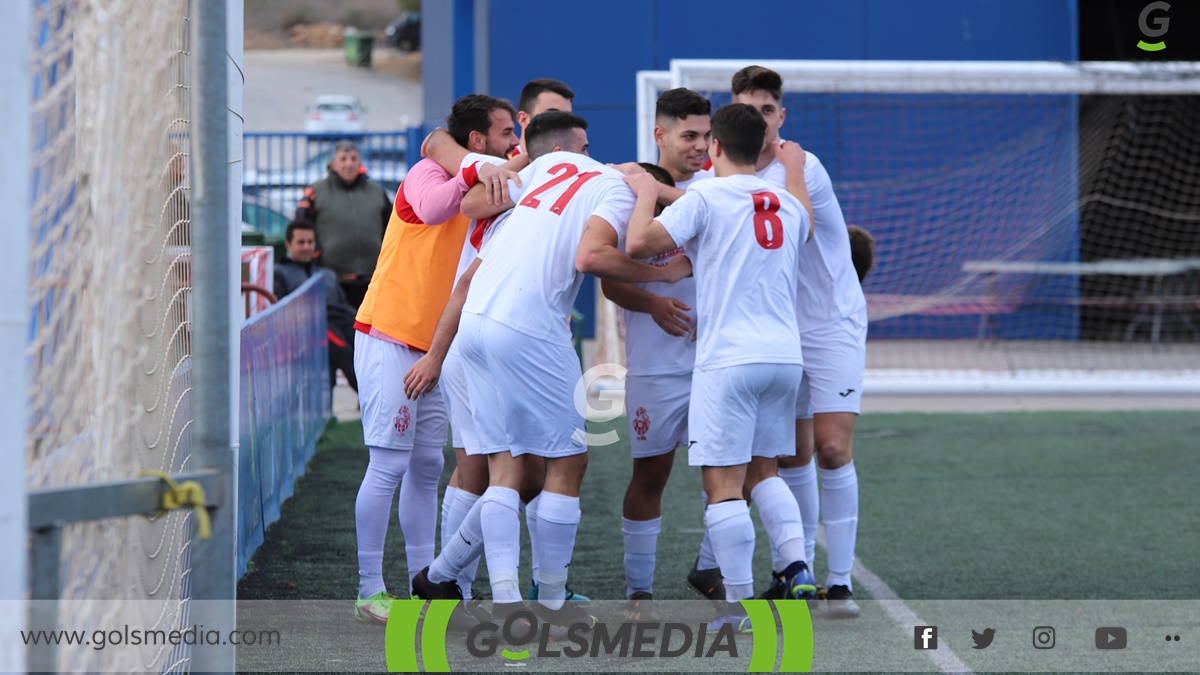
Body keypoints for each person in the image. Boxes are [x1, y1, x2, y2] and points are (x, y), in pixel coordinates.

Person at [411, 112, 690, 630]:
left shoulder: (537, 171)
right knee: (568, 464)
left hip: (472, 321)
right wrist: (663, 269)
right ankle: (549, 604)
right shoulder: (612, 185)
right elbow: (592, 256)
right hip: (529, 325)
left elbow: (466, 199)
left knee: (509, 469)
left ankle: (448, 578)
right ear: (580, 146)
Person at [625, 103, 816, 631]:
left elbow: (641, 242)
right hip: (784, 358)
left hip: (729, 358)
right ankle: (797, 565)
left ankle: (736, 607)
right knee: (766, 471)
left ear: (714, 148)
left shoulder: (705, 195)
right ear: (761, 148)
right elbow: (805, 223)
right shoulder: (786, 201)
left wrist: (646, 192)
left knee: (724, 484)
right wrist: (793, 172)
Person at [415, 78, 592, 606]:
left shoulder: (537, 175)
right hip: (487, 325)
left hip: (499, 328)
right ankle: (474, 590)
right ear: (524, 123)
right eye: (551, 116)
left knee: (526, 472)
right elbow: (435, 147)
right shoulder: (513, 170)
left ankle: (451, 579)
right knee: (495, 467)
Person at [349, 94, 521, 626]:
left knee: (427, 465)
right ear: (477, 142)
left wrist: (502, 170)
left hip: (435, 347)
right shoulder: (426, 172)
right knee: (390, 463)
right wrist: (488, 169)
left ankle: (425, 585)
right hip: (389, 333)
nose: (514, 141)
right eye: (505, 133)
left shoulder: (489, 182)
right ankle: (369, 589)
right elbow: (433, 208)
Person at [730, 65, 869, 619]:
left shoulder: (800, 165)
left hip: (832, 320)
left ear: (781, 116)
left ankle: (841, 582)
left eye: (768, 110)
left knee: (833, 447)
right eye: (749, 109)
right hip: (780, 328)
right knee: (792, 453)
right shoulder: (730, 172)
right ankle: (800, 572)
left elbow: (801, 229)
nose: (759, 119)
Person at [599, 88, 712, 619]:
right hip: (655, 366)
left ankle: (716, 576)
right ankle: (638, 594)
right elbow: (609, 280)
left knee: (732, 473)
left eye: (707, 135)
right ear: (660, 134)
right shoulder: (631, 189)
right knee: (650, 475)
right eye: (689, 135)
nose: (700, 146)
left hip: (716, 365)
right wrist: (653, 300)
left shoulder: (723, 189)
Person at [294, 139, 393, 309]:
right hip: (332, 280)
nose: (349, 164)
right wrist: (317, 254)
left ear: (359, 162)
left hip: (373, 279)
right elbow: (301, 226)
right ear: (334, 163)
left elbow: (392, 230)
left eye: (353, 158)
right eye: (343, 159)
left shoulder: (377, 193)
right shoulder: (315, 192)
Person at [274, 220, 359, 395]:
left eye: (310, 242)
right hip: (310, 328)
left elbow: (343, 305)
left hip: (340, 321)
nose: (307, 247)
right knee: (345, 353)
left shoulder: (327, 274)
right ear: (288, 245)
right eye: (301, 242)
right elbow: (279, 309)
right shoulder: (279, 272)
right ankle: (368, 396)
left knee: (364, 345)